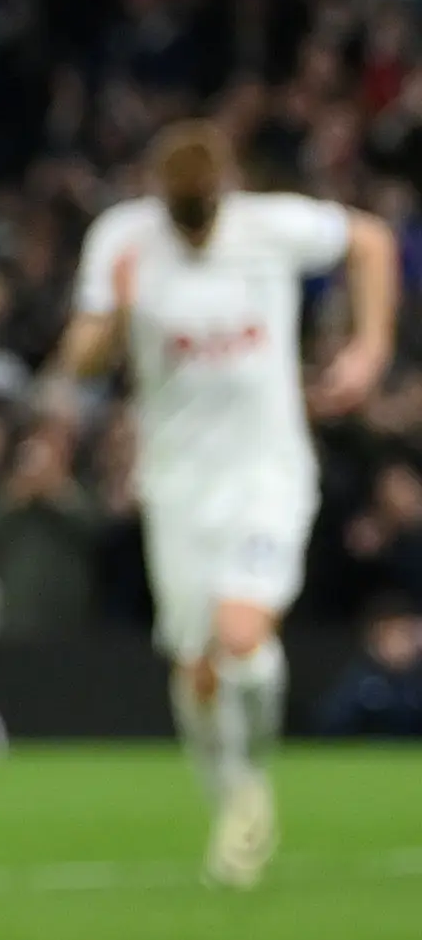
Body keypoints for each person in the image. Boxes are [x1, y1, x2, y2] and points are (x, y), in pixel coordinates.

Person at [48, 120, 394, 889]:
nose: (193, 229)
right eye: (182, 216)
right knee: (196, 668)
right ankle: (233, 797)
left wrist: (369, 349)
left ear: (224, 189)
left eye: (202, 214)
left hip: (267, 471)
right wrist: (114, 319)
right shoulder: (123, 240)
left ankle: (254, 776)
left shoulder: (270, 228)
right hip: (176, 485)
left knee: (241, 634)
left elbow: (371, 241)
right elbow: (78, 360)